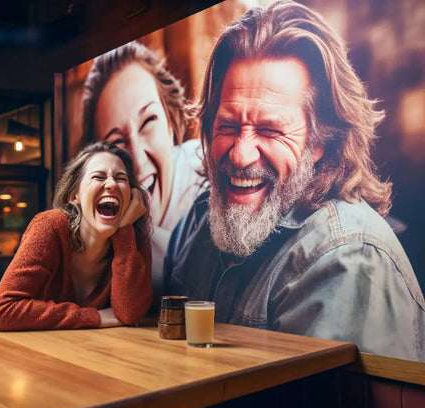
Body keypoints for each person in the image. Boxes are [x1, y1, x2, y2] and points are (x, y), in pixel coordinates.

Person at [164, 1, 425, 361]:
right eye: (227, 126)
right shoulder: (201, 222)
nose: (241, 155)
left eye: (270, 130)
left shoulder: (347, 257)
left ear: (320, 141)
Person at [81, 40, 205, 300]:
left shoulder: (211, 176)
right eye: (116, 142)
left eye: (148, 121)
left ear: (171, 123)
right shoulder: (94, 221)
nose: (136, 160)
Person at [0, 141, 152, 330]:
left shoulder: (132, 238)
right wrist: (94, 317)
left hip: (94, 354)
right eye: (99, 177)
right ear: (75, 196)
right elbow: (3, 312)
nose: (112, 184)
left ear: (132, 196)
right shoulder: (50, 226)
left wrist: (124, 232)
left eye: (121, 178)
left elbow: (129, 314)